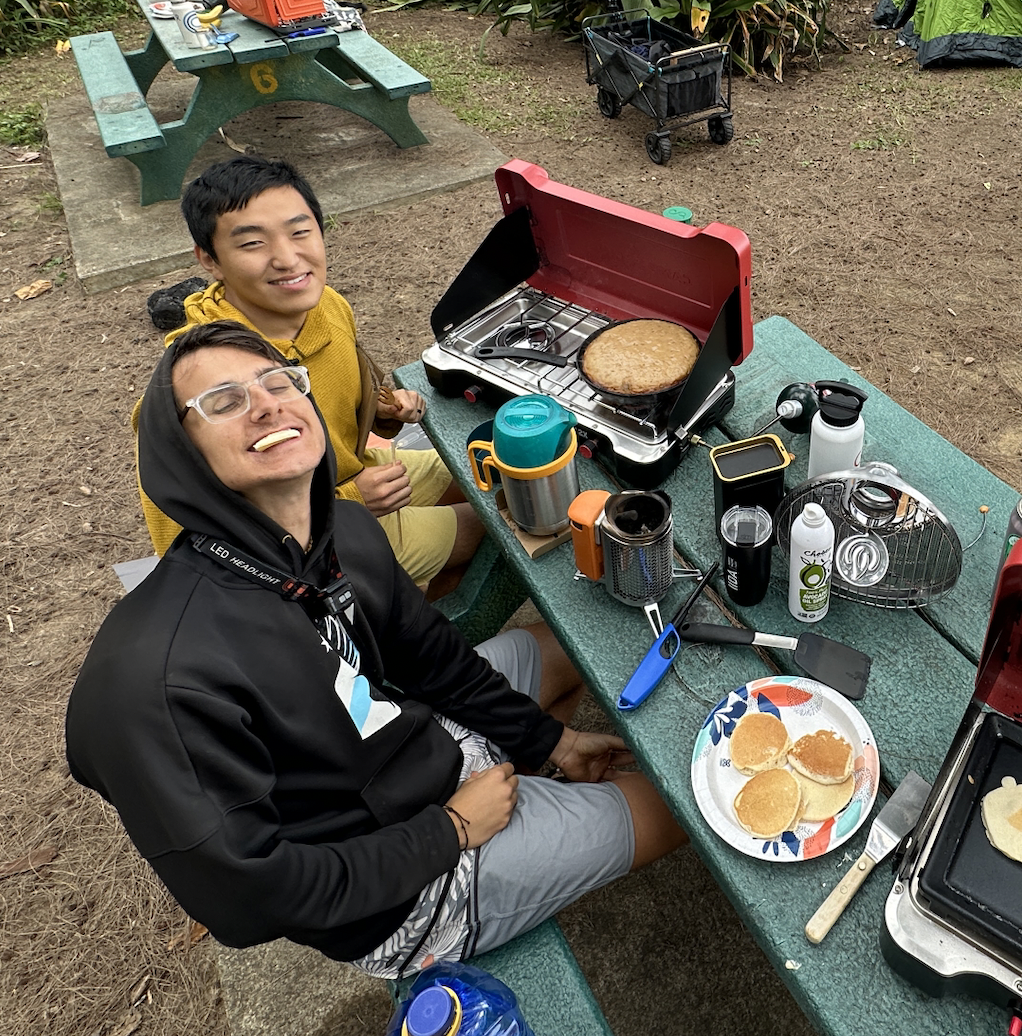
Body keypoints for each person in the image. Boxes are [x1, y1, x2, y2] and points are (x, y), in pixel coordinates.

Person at [71, 321, 685, 978]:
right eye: (223, 401)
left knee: (558, 653)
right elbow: (248, 897)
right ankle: (523, 834)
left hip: (404, 742)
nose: (266, 402)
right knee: (676, 809)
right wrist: (449, 830)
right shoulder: (155, 679)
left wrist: (548, 743)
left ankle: (532, 778)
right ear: (179, 453)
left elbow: (436, 664)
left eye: (278, 380)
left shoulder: (344, 530)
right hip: (395, 894)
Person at [133, 155, 483, 589]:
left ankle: (402, 601)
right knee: (495, 525)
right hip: (312, 544)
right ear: (210, 259)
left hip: (358, 474)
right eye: (251, 244)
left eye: (300, 232)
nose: (286, 259)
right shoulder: (203, 384)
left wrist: (384, 414)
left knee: (480, 467)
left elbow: (343, 406)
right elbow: (202, 533)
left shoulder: (328, 306)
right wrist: (349, 503)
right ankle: (376, 612)